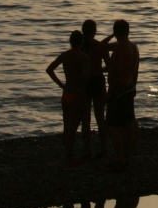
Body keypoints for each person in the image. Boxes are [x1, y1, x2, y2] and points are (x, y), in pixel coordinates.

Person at [46, 29, 91, 167]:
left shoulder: (65, 55)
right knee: (74, 128)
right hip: (78, 95)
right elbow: (86, 77)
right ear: (81, 42)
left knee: (67, 126)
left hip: (67, 94)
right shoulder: (83, 57)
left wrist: (61, 85)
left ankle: (68, 156)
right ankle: (70, 158)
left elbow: (49, 69)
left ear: (70, 42)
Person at [105, 19, 139, 169]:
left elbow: (116, 74)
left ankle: (121, 159)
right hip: (130, 86)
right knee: (128, 122)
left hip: (120, 89)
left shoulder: (119, 49)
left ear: (115, 32)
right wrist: (134, 86)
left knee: (111, 126)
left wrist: (109, 93)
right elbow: (135, 71)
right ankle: (128, 155)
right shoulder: (133, 46)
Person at [81, 19, 110, 157]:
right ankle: (103, 148)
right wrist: (99, 69)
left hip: (84, 82)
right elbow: (109, 66)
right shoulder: (100, 46)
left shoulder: (80, 47)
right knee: (100, 117)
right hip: (98, 80)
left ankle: (86, 150)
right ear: (95, 31)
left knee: (85, 118)